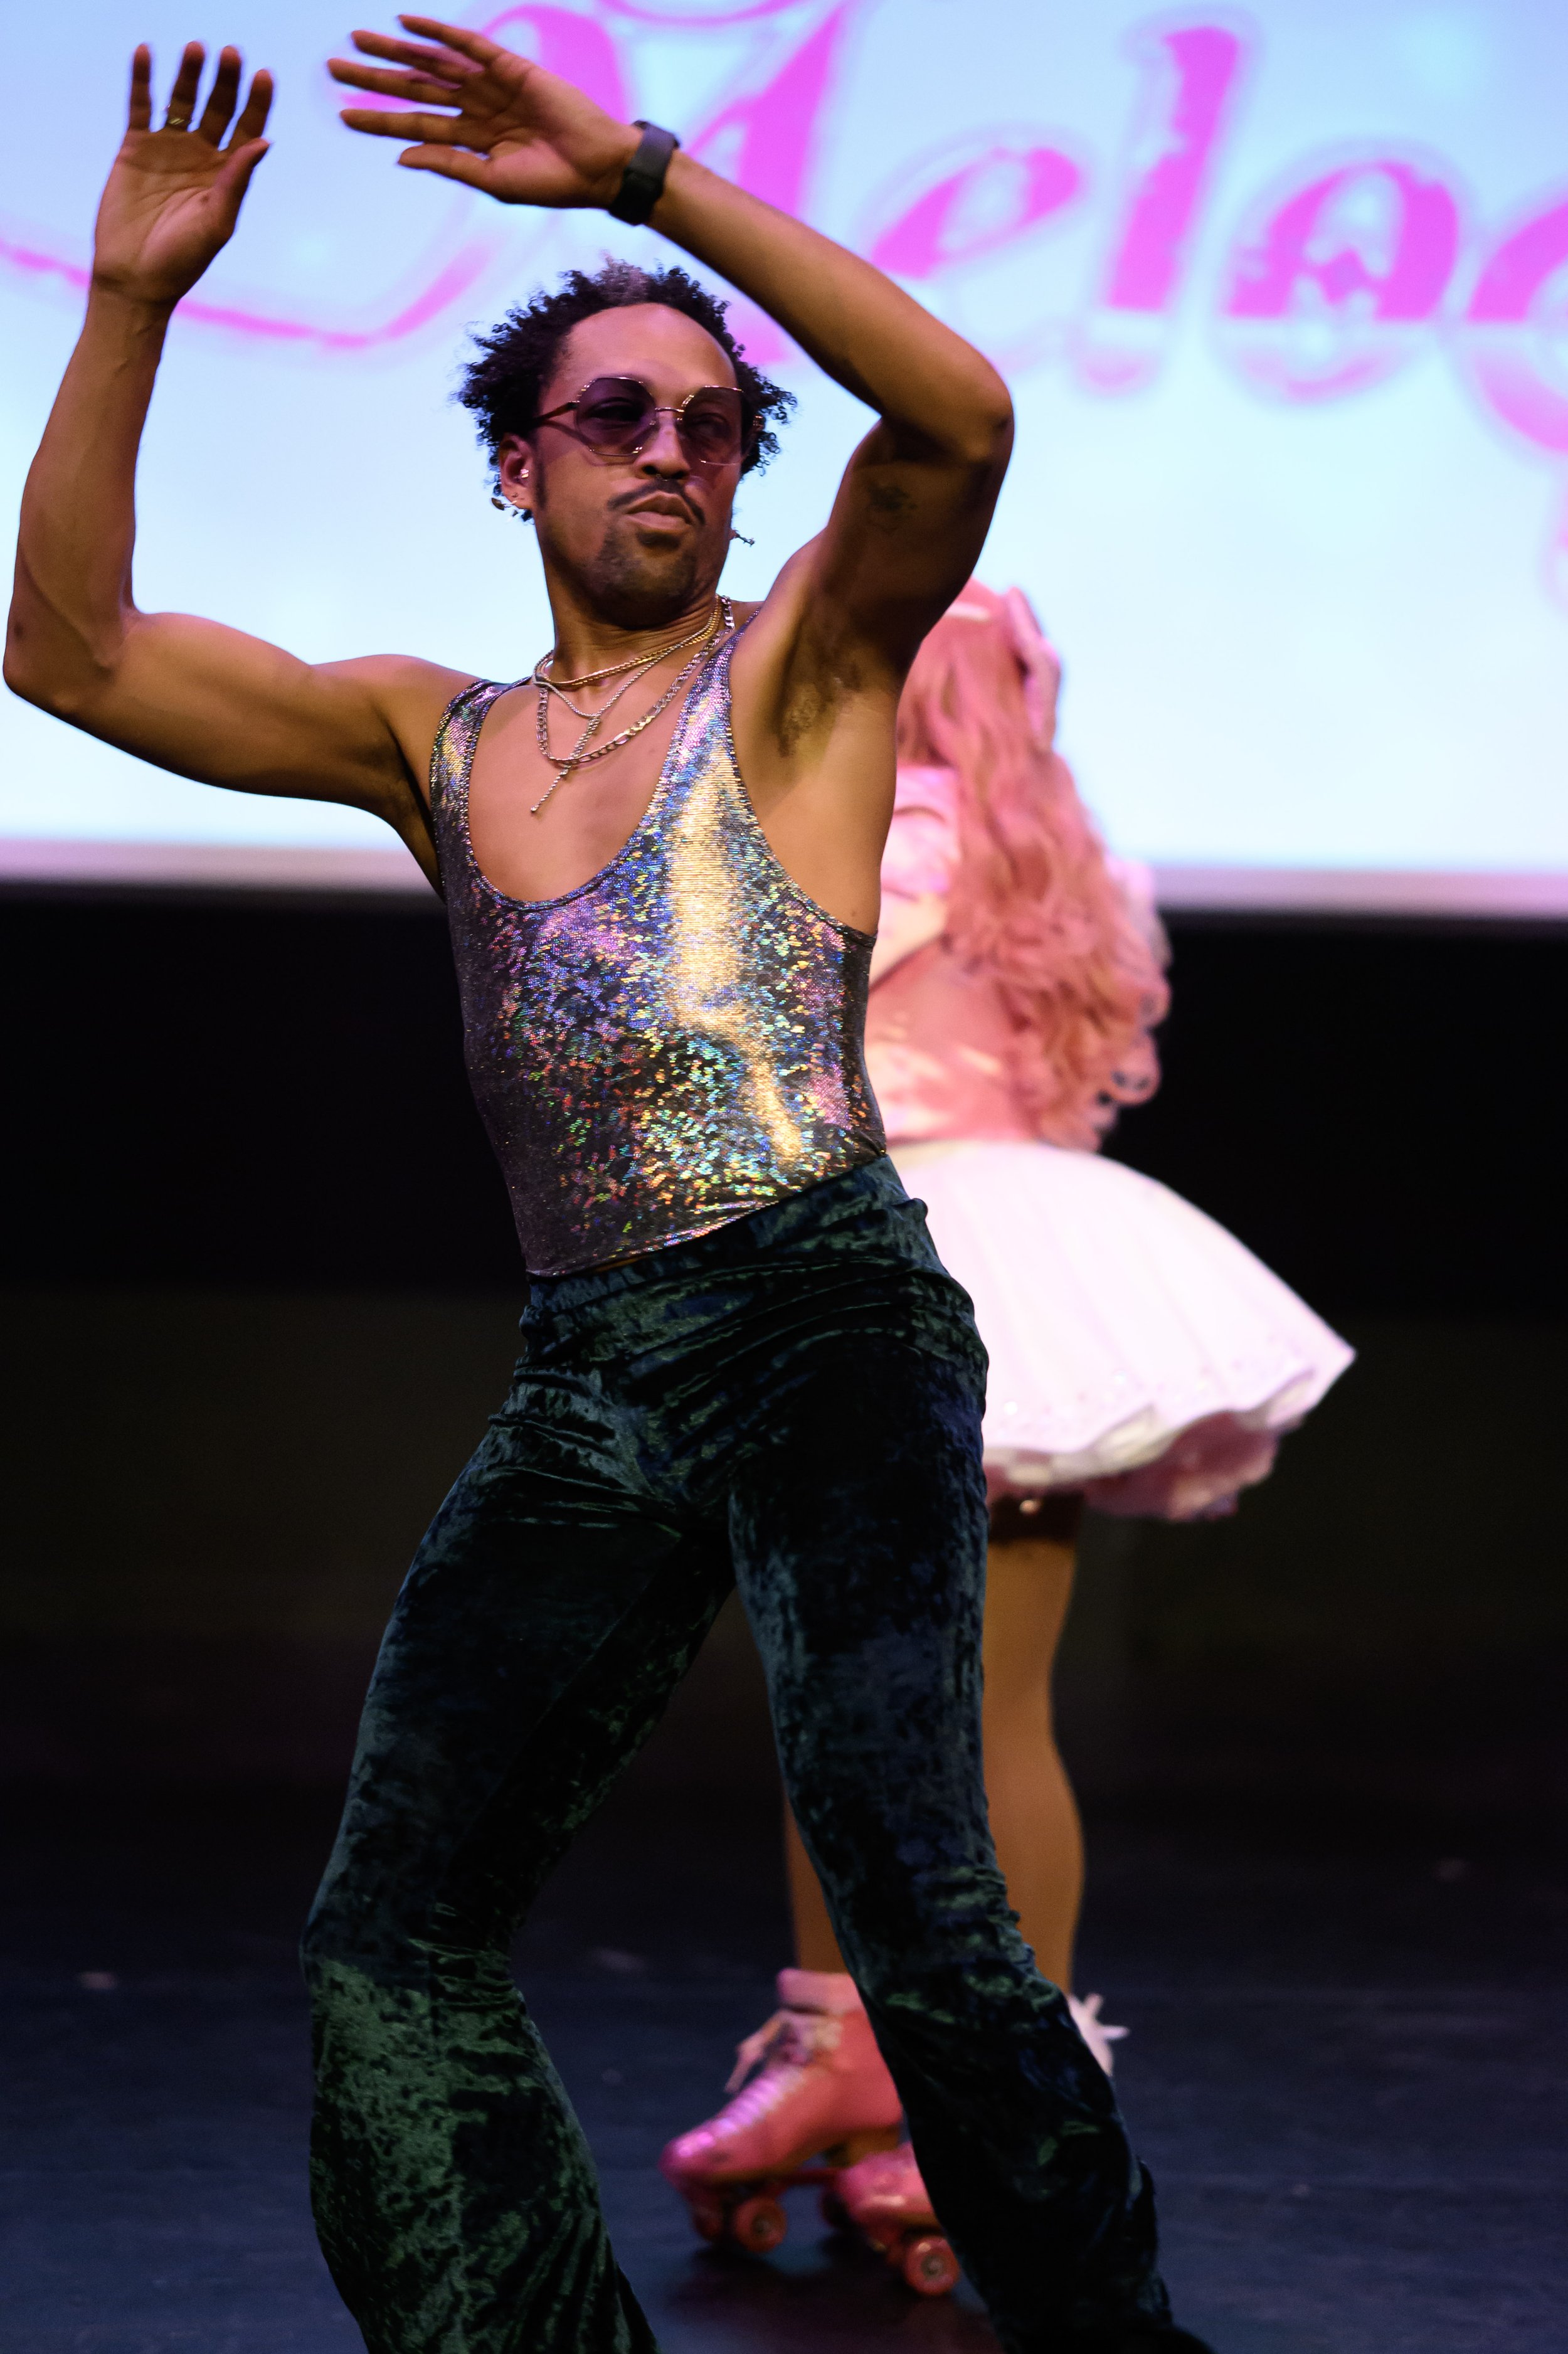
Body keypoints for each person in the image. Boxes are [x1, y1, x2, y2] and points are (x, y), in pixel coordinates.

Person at [6, 22, 1215, 2353]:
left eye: (713, 424)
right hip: (592, 1369)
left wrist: (643, 183)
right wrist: (133, 303)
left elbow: (959, 417)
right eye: (614, 415)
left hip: (824, 1315)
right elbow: (66, 651)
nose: (670, 451)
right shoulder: (421, 738)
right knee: (393, 1923)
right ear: (515, 470)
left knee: (920, 1907)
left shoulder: (802, 674)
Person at [662, 583, 1353, 2278]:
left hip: (902, 1258)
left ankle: (941, 2078)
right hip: (1019, 1262)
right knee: (981, 1704)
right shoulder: (1066, 867)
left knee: (852, 1689)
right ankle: (880, 2061)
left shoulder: (879, 840)